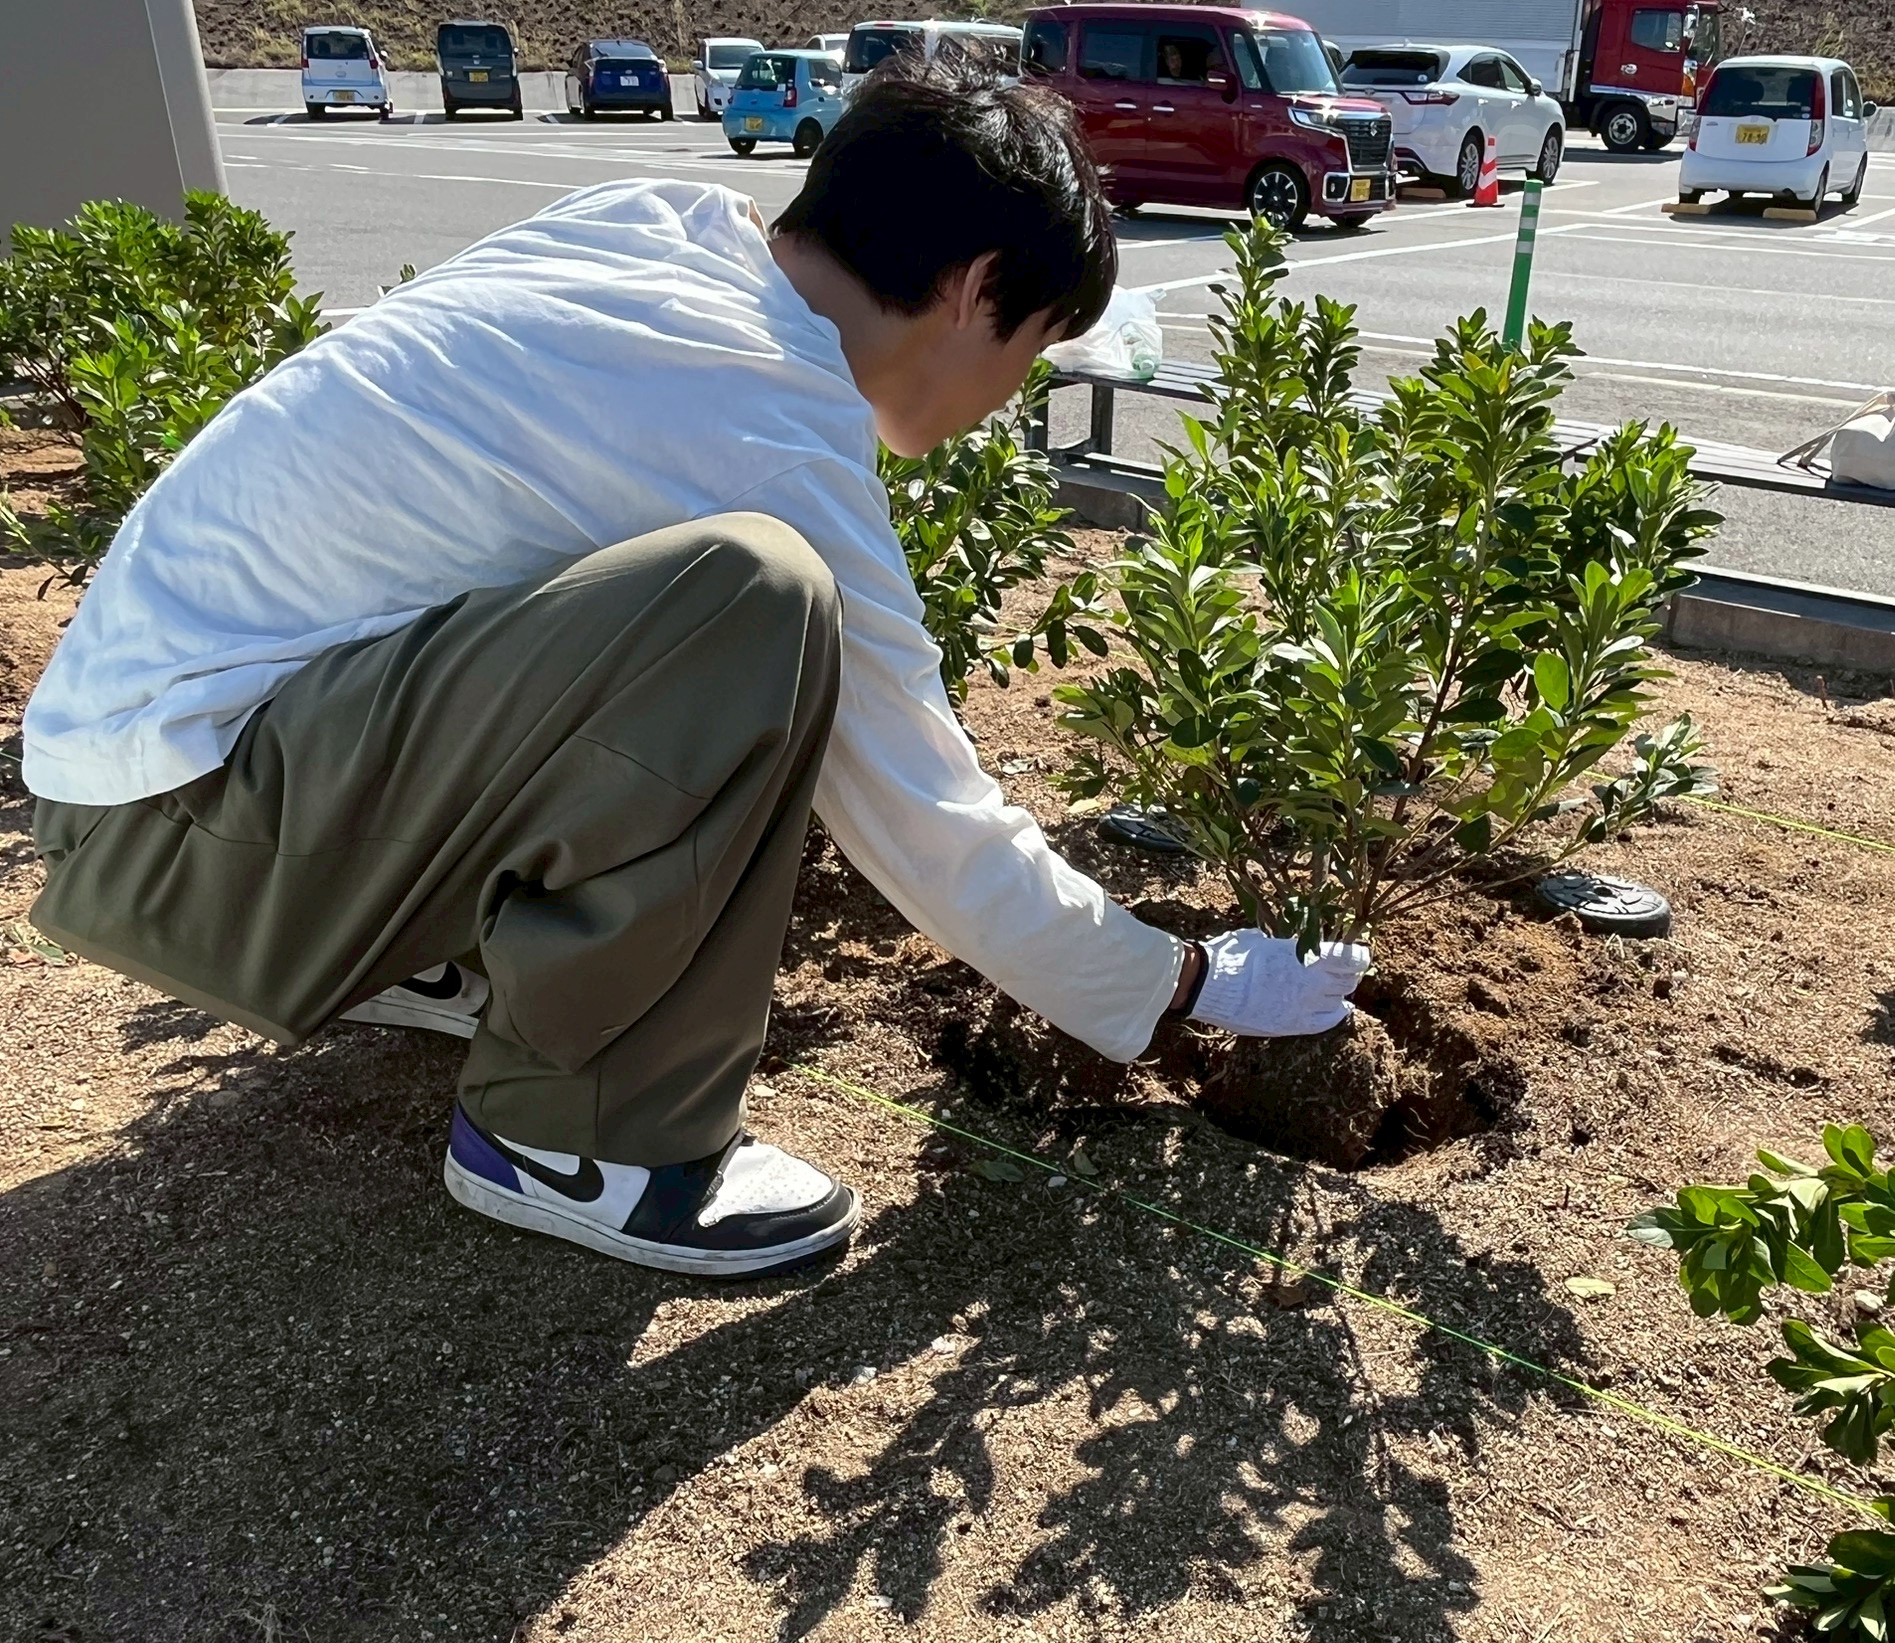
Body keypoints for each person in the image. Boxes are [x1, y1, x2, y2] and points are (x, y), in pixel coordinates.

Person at [17, 55, 1367, 1280]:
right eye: (1032, 346)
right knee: (757, 601)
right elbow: (933, 823)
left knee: (630, 607)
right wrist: (1183, 983)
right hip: (186, 851)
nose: (1012, 392)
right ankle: (583, 1140)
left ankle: (405, 947)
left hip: (138, 786)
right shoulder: (769, 425)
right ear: (974, 293)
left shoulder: (651, 229)